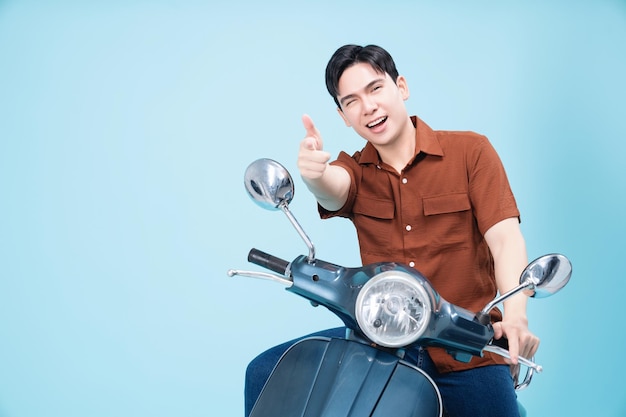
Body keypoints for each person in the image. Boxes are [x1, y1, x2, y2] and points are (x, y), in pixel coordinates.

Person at [244, 44, 539, 417]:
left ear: (401, 87)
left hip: (467, 347)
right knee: (264, 372)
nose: (367, 107)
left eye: (375, 89)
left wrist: (515, 316)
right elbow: (335, 190)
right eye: (351, 101)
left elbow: (505, 238)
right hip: (381, 344)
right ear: (344, 116)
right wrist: (314, 175)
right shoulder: (354, 170)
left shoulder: (471, 152)